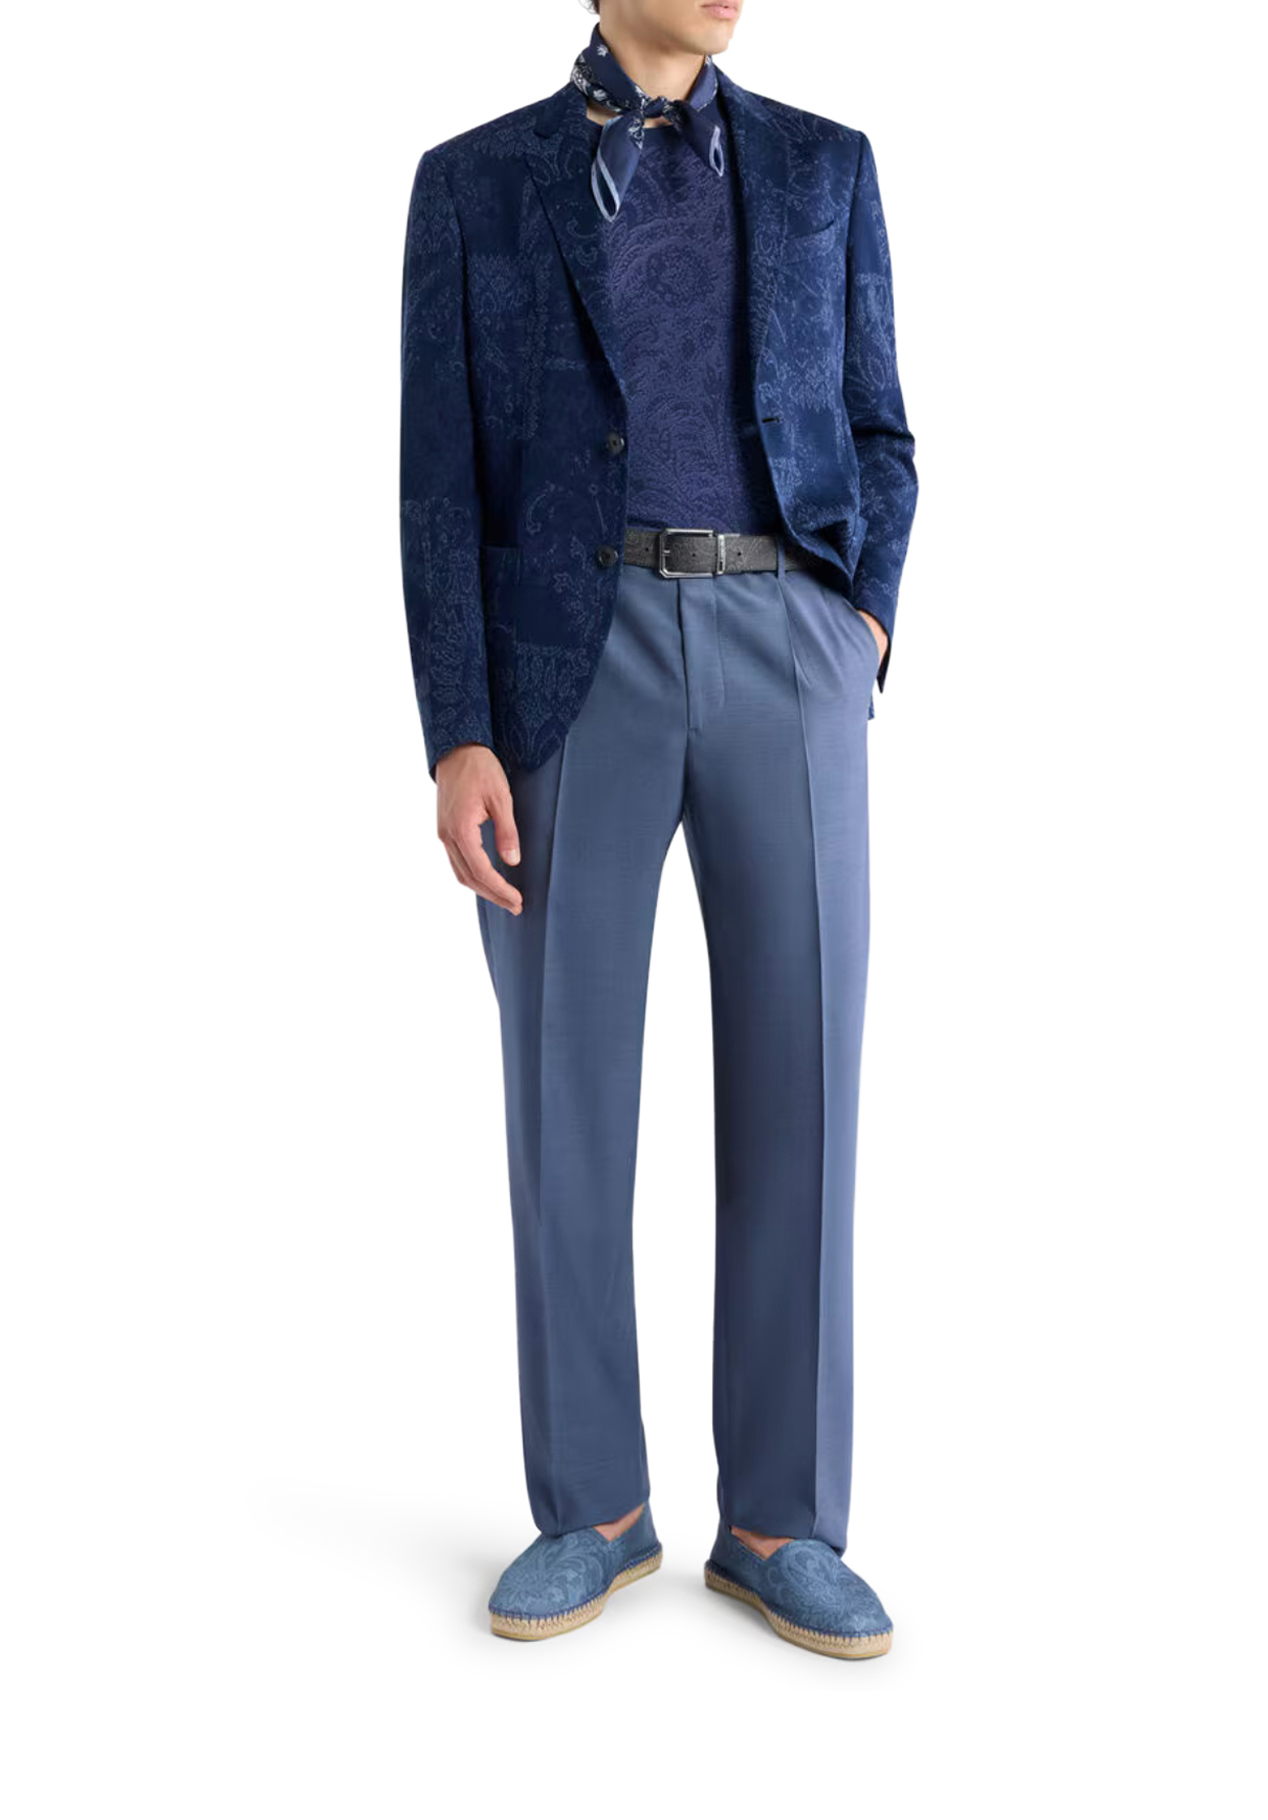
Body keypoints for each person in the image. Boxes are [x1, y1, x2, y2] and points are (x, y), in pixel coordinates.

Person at [398, 0, 917, 1657]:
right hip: (570, 665)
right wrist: (459, 729)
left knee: (801, 1084)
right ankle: (593, 1509)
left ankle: (779, 1523)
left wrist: (858, 622)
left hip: (786, 642)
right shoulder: (475, 183)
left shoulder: (825, 167)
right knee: (565, 1092)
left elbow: (881, 427)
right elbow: (436, 479)